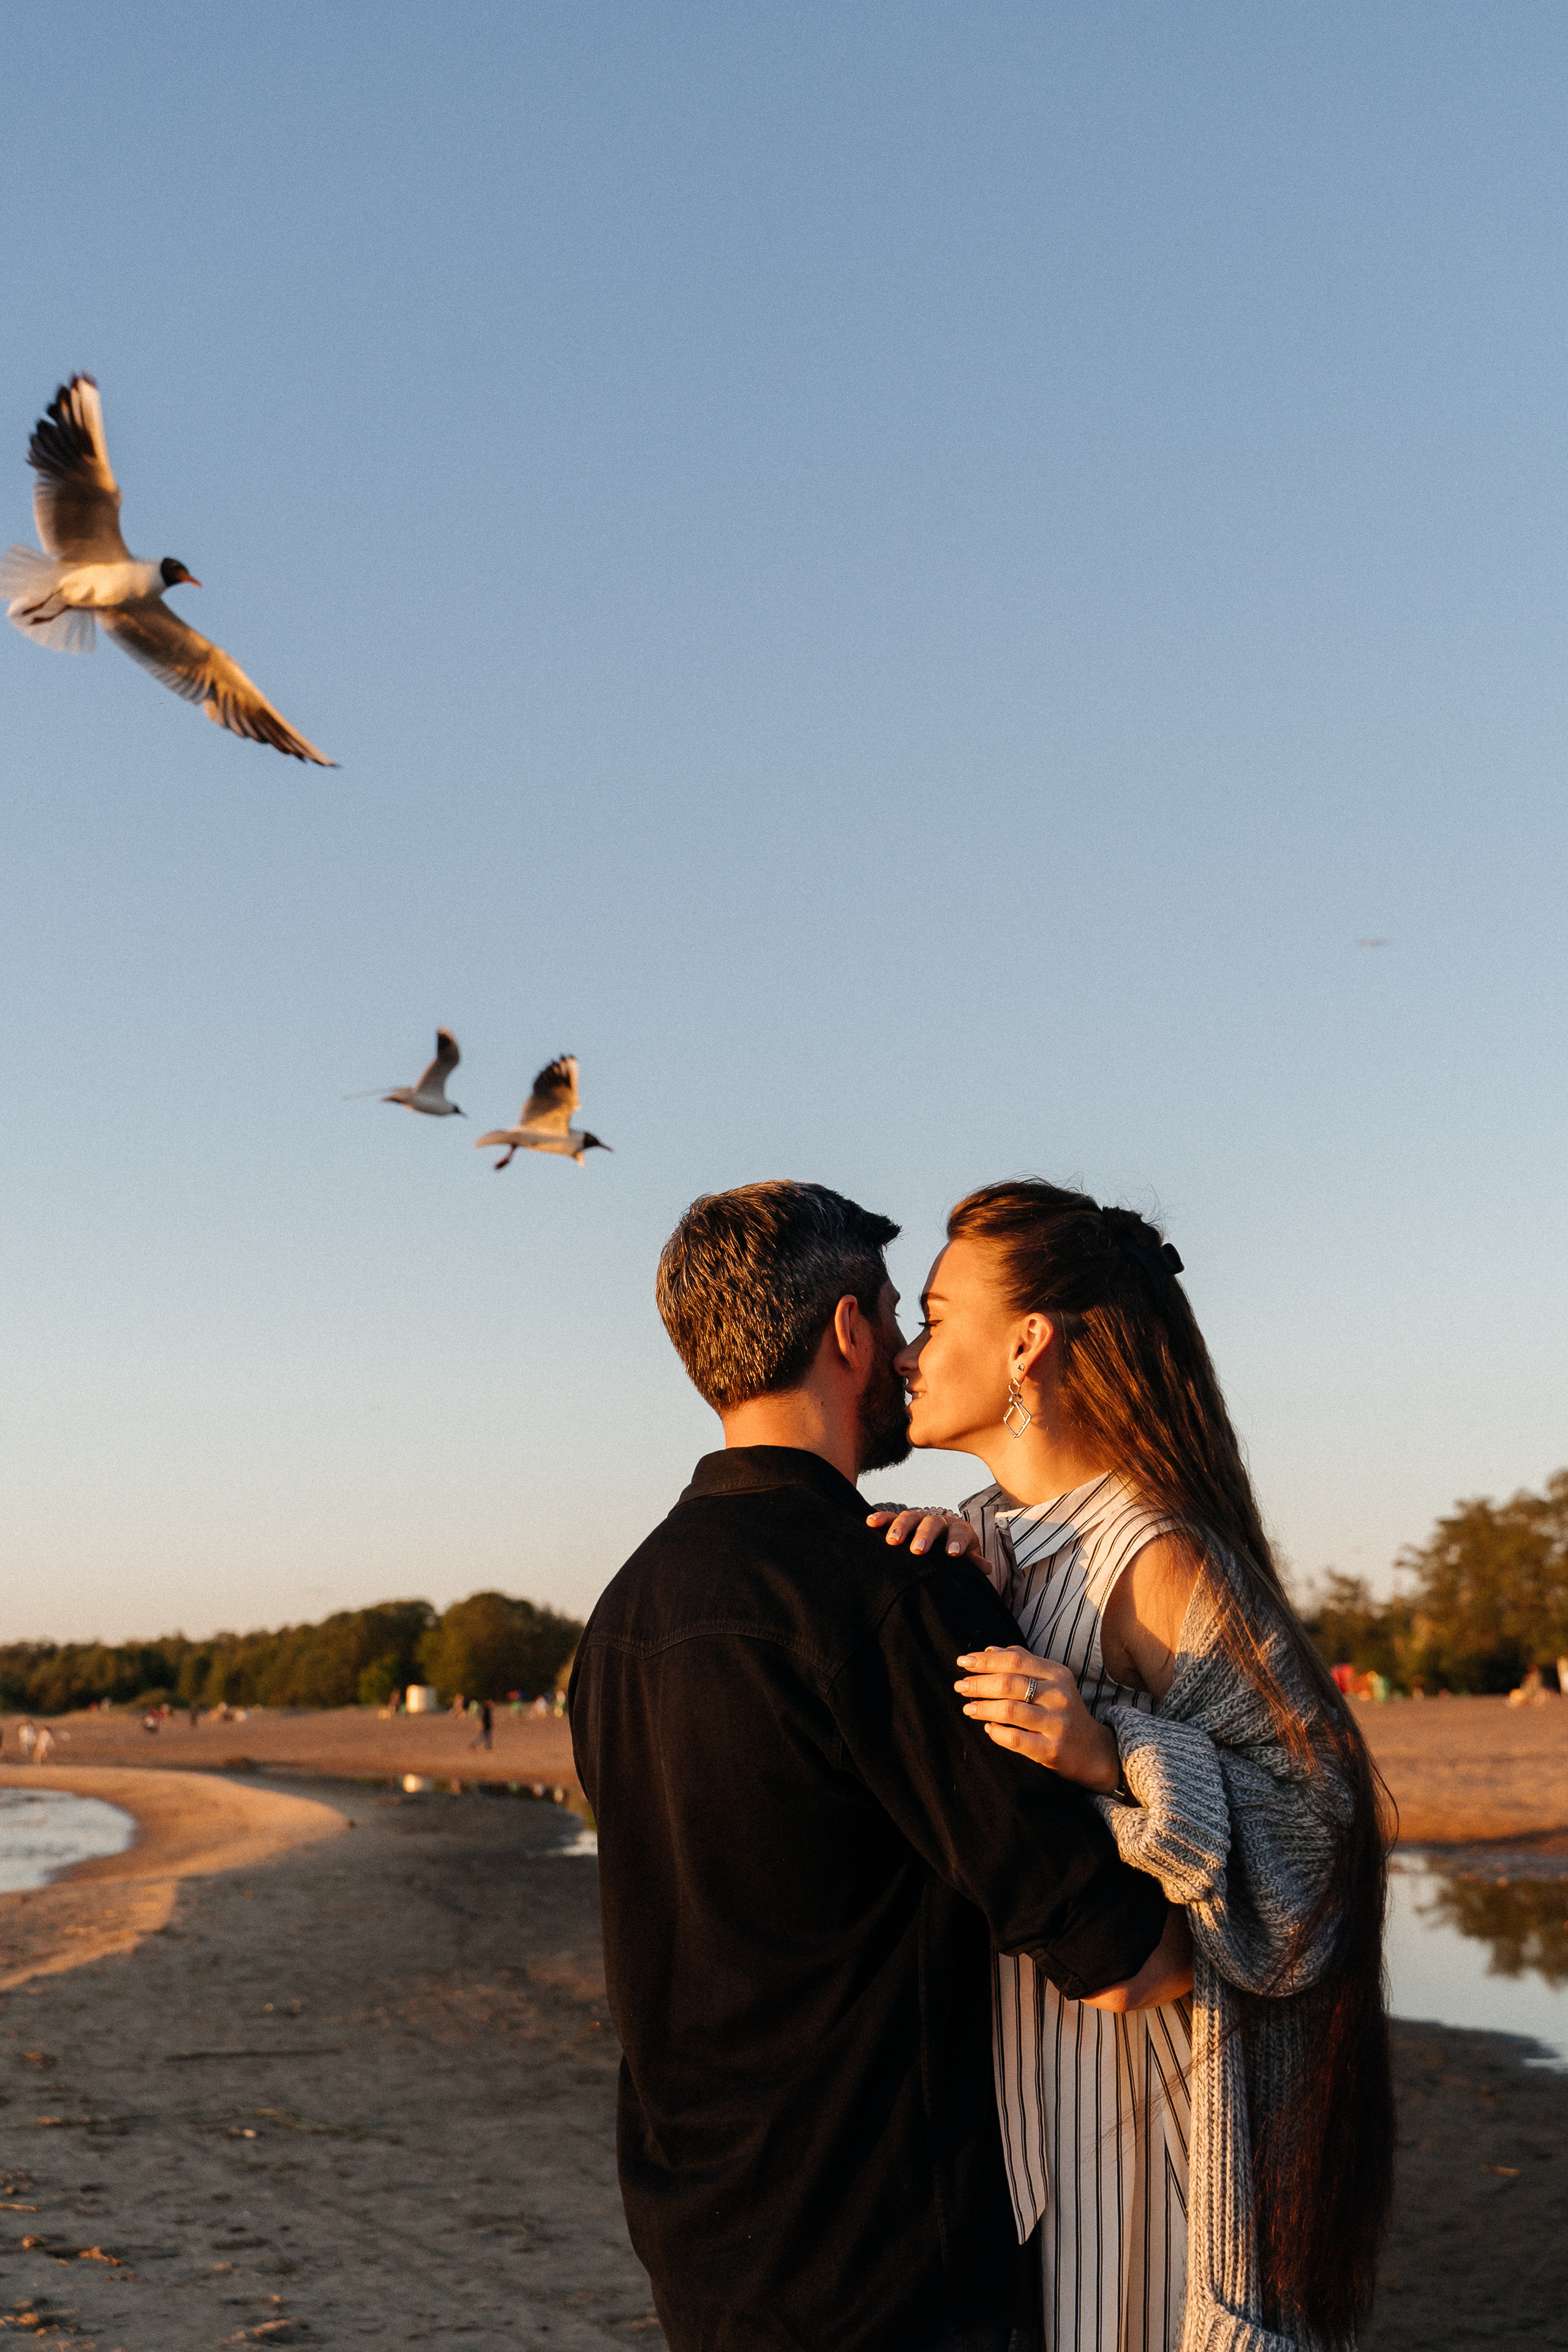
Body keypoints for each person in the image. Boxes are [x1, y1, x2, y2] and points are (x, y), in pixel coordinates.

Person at [570, 1182, 1188, 2352]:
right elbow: (1122, 1961)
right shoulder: (890, 1592)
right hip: (887, 2258)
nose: (909, 1354)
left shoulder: (622, 1613)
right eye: (900, 1316)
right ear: (848, 1331)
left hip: (696, 2242)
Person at [874, 1181, 1394, 2352]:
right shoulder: (980, 1546)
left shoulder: (1157, 1559)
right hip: (1024, 2128)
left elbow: (1320, 1841)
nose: (908, 1353)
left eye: (936, 1318)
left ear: (1028, 1342)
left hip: (1147, 2130)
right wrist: (946, 1579)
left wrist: (1116, 1748)